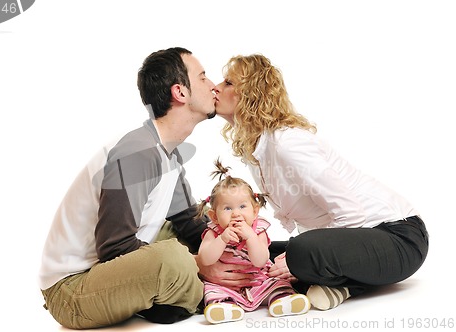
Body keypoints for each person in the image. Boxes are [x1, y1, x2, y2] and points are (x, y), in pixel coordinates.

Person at [208, 53, 429, 311]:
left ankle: (341, 285)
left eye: (228, 83)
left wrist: (295, 260)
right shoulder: (259, 149)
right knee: (255, 251)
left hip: (398, 240)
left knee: (300, 251)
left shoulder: (287, 144)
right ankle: (334, 286)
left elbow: (351, 214)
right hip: (360, 242)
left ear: (251, 94)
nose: (216, 87)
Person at [38, 47, 217, 329]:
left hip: (111, 269)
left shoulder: (168, 151)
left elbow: (189, 221)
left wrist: (231, 243)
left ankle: (211, 286)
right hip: (74, 289)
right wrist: (200, 262)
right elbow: (115, 246)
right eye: (204, 77)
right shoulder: (139, 153)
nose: (214, 86)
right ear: (180, 92)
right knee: (174, 259)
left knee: (191, 235)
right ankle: (209, 293)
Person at [197, 159, 310, 324]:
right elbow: (205, 259)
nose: (236, 214)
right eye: (228, 208)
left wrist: (250, 237)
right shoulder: (214, 232)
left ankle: (282, 300)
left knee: (277, 284)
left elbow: (261, 260)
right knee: (211, 290)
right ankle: (225, 307)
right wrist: (222, 239)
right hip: (225, 283)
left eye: (242, 207)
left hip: (257, 279)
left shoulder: (258, 230)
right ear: (214, 216)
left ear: (255, 211)